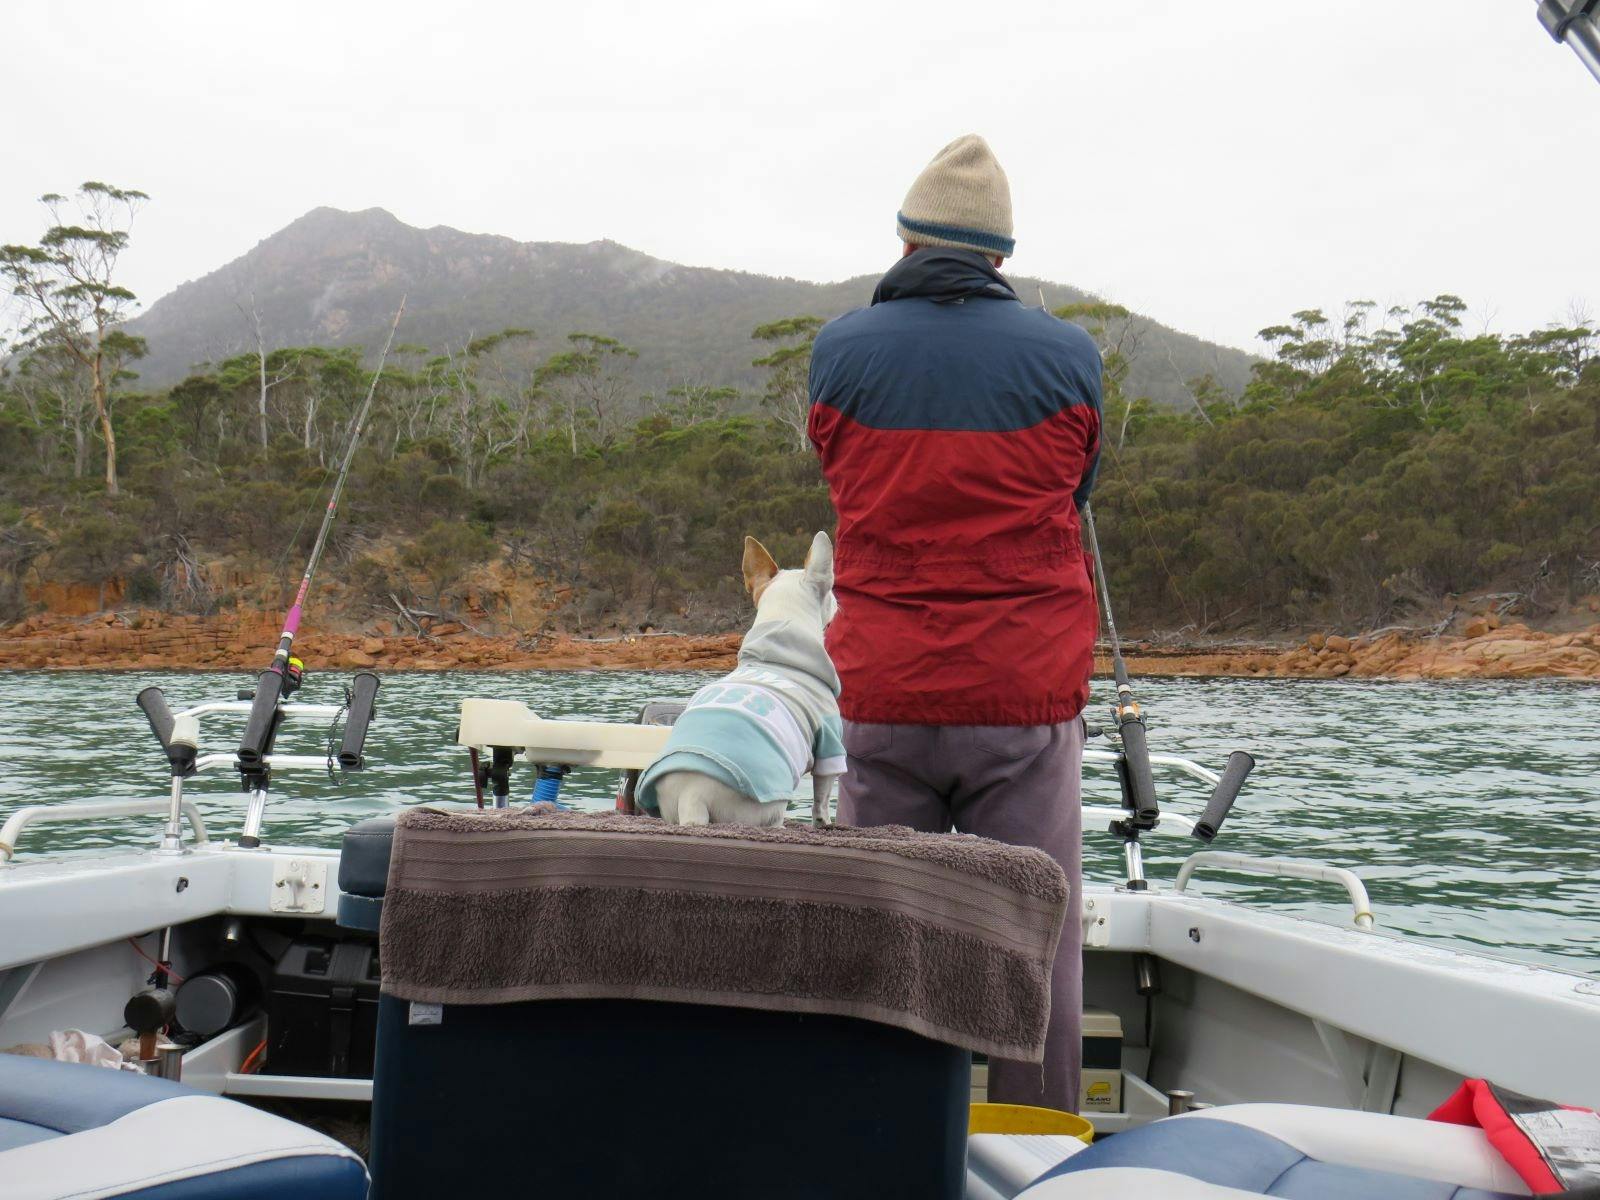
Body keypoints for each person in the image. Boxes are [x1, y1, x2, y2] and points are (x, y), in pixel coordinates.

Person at [806, 134, 1102, 1112]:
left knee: (880, 944)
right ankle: (1036, 1146)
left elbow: (842, 478)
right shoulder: (1068, 356)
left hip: (884, 695)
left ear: (904, 240)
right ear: (999, 255)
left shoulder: (839, 350)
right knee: (1034, 942)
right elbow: (1078, 486)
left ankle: (878, 1143)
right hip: (1023, 700)